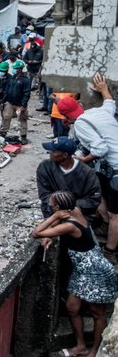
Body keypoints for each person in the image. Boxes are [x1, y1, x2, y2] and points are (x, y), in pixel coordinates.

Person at [31, 191, 117, 357]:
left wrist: (51, 221)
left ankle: (95, 351)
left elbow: (36, 232)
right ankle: (80, 346)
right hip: (82, 269)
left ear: (58, 208)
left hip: (94, 270)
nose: (49, 207)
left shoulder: (70, 225)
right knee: (72, 307)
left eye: (52, 206)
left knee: (96, 311)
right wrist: (51, 233)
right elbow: (53, 226)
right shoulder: (73, 210)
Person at [60, 74, 118, 258]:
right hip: (109, 169)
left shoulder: (81, 125)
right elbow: (110, 103)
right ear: (80, 106)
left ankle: (109, 251)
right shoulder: (98, 112)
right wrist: (104, 89)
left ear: (65, 117)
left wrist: (82, 160)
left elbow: (100, 148)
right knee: (98, 192)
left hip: (115, 168)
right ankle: (107, 226)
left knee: (116, 214)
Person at [36, 137, 102, 219]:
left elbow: (93, 199)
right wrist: (57, 207)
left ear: (65, 155)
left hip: (79, 214)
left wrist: (68, 208)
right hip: (53, 211)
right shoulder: (45, 166)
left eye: (54, 151)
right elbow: (44, 193)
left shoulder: (86, 173)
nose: (50, 153)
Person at [0, 60, 31, 144]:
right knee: (6, 117)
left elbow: (26, 94)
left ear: (20, 69)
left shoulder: (25, 81)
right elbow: (7, 90)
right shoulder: (11, 78)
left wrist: (23, 105)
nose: (14, 70)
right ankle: (3, 133)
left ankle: (23, 136)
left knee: (22, 120)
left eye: (15, 69)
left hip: (20, 104)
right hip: (10, 102)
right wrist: (3, 101)